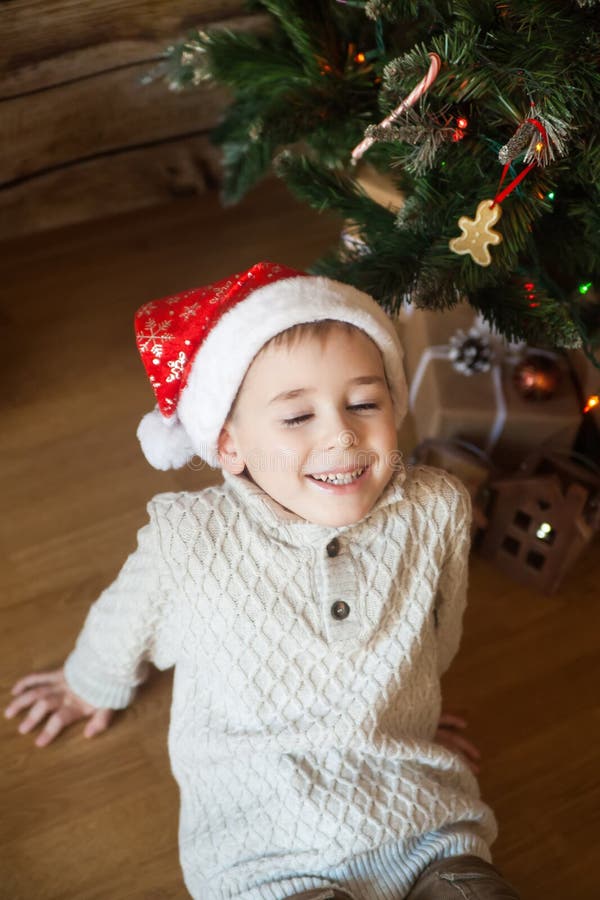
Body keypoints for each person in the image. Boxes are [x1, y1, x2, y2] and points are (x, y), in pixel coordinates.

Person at [4, 262, 521, 900]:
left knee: (471, 884)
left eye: (365, 403)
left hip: (416, 814)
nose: (341, 433)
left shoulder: (436, 507)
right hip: (261, 834)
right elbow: (126, 615)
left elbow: (439, 625)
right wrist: (89, 685)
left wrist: (412, 716)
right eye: (296, 417)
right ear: (230, 446)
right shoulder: (190, 539)